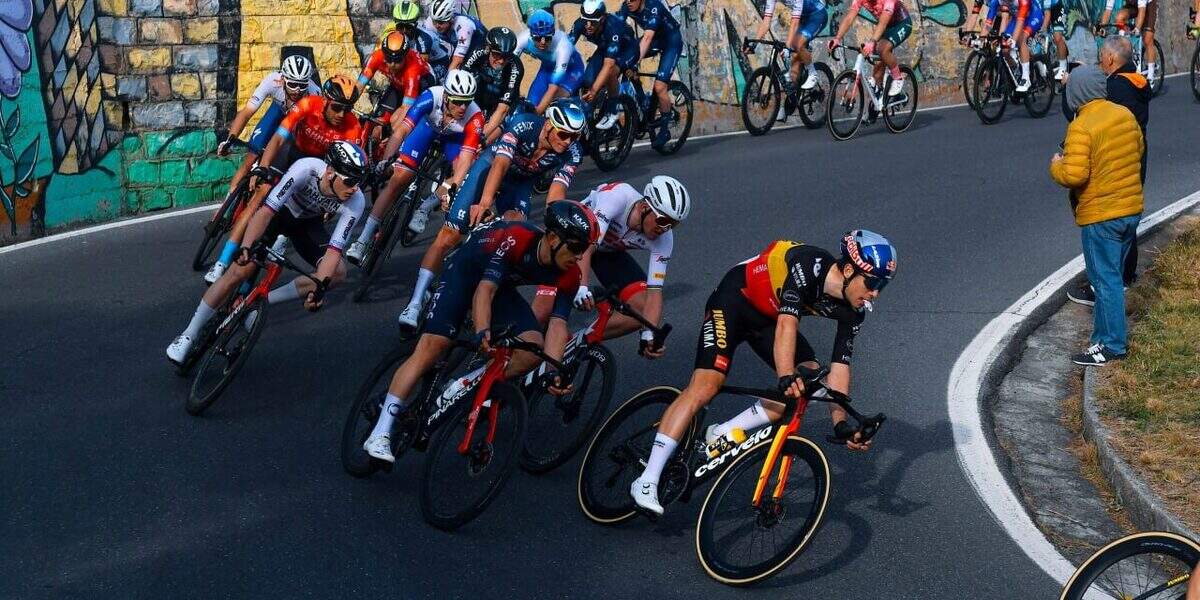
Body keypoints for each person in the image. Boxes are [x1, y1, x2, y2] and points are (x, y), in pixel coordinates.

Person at [629, 230, 895, 515]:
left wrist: (840, 423)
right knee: (707, 385)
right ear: (847, 270)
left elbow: (841, 365)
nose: (875, 293)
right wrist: (785, 376)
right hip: (733, 303)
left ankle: (722, 432)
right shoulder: (809, 265)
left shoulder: (854, 310)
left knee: (809, 380)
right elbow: (787, 326)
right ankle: (648, 479)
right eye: (872, 282)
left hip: (768, 320)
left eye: (882, 285)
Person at [361, 201, 600, 462]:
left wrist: (553, 371)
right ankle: (381, 433)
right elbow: (484, 289)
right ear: (553, 238)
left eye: (585, 249)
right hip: (464, 274)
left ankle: (463, 385)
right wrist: (483, 330)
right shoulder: (516, 238)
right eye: (576, 247)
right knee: (434, 345)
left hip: (500, 288)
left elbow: (557, 323)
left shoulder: (570, 274)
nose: (579, 256)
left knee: (532, 349)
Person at [166, 142, 369, 365]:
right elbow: (265, 212)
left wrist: (319, 289)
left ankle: (259, 303)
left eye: (359, 182)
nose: (354, 188)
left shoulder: (356, 201)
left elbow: (333, 251)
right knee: (240, 270)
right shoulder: (306, 168)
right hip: (278, 214)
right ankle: (188, 335)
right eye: (349, 181)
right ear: (330, 173)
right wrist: (246, 247)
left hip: (306, 226)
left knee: (337, 273)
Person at [395, 98, 587, 331]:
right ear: (548, 125)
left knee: (515, 229)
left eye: (574, 137)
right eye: (564, 134)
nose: (568, 142)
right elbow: (500, 165)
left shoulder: (573, 152)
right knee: (450, 235)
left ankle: (483, 286)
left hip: (520, 184)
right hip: (491, 167)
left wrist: (556, 229)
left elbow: (557, 192)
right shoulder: (523, 124)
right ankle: (415, 302)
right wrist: (484, 203)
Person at [205, 76, 364, 285]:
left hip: (318, 166)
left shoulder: (353, 128)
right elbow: (279, 137)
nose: (342, 114)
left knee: (304, 211)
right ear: (325, 100)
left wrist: (331, 200)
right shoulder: (308, 104)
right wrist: (262, 169)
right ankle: (223, 261)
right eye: (336, 107)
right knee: (261, 195)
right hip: (293, 152)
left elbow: (345, 170)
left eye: (348, 109)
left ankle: (280, 238)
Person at [1049, 65, 1143, 367]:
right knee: (1112, 278)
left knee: (1105, 282)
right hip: (1130, 210)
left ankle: (1112, 345)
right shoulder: (1124, 115)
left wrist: (1056, 164)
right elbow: (1138, 150)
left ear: (1077, 93)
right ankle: (1100, 340)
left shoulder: (1082, 125)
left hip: (1101, 215)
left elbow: (1074, 175)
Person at [531, 176, 690, 353]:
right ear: (645, 207)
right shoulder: (618, 197)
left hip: (608, 252)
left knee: (641, 310)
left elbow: (655, 292)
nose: (665, 229)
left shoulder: (665, 238)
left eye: (673, 225)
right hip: (573, 243)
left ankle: (579, 342)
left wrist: (649, 335)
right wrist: (581, 287)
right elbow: (587, 248)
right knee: (540, 314)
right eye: (663, 221)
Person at [345, 70, 484, 262]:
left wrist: (451, 189)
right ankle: (362, 240)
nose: (462, 107)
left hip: (454, 139)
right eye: (457, 101)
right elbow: (401, 131)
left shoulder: (474, 117)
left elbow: (466, 160)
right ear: (445, 96)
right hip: (427, 129)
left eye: (467, 102)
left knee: (464, 173)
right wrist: (388, 160)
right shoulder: (430, 97)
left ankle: (426, 207)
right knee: (397, 180)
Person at [207, 56, 320, 284]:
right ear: (283, 79)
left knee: (275, 175)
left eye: (302, 84)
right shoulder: (273, 82)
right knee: (250, 158)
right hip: (277, 112)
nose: (297, 89)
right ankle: (226, 208)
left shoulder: (314, 95)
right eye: (292, 84)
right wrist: (230, 138)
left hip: (296, 126)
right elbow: (247, 112)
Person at [1065, 36, 1149, 307]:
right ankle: (1125, 276)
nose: (1100, 60)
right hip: (1132, 157)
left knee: (1109, 223)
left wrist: (1070, 91)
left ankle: (1103, 287)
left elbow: (1086, 115)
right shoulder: (1136, 83)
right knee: (1126, 218)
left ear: (1111, 59)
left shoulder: (1113, 88)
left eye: (1102, 55)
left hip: (1110, 164)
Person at [618, 0, 687, 147]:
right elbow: (616, 30)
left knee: (660, 86)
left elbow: (647, 38)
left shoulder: (654, 7)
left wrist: (635, 62)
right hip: (656, 39)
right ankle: (643, 102)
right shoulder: (626, 6)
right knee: (624, 58)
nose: (628, 2)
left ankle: (664, 129)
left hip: (671, 42)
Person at [570, 0, 641, 130]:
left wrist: (594, 90)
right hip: (605, 48)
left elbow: (608, 66)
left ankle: (613, 111)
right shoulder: (581, 23)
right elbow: (566, 48)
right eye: (586, 21)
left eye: (593, 22)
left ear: (602, 19)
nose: (588, 25)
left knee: (610, 72)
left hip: (628, 50)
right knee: (587, 80)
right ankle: (593, 118)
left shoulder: (613, 27)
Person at [828, 0, 913, 98]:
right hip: (886, 26)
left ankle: (897, 78)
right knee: (876, 72)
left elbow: (883, 22)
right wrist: (837, 38)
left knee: (882, 48)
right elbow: (849, 18)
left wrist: (873, 41)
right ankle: (880, 97)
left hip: (902, 23)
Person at [743, 0, 828, 93]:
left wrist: (788, 46)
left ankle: (812, 73)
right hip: (803, 17)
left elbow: (795, 22)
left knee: (796, 44)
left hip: (817, 15)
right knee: (794, 64)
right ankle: (793, 102)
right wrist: (754, 45)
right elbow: (766, 23)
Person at [461, 27, 525, 143]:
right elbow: (460, 79)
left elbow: (502, 109)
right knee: (473, 79)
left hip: (500, 102)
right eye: (497, 55)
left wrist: (481, 137)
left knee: (514, 113)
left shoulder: (516, 67)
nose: (501, 61)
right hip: (479, 94)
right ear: (488, 48)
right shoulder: (479, 52)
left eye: (506, 56)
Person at [517, 10, 587, 115]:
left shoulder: (563, 45)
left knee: (552, 107)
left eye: (548, 38)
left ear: (553, 33)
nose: (543, 42)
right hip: (547, 69)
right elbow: (509, 64)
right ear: (531, 35)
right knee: (530, 105)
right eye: (538, 38)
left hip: (572, 71)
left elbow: (553, 88)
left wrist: (538, 112)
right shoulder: (523, 39)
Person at [357, 31, 431, 128]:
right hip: (398, 84)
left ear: (405, 56)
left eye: (397, 60)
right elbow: (359, 86)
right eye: (388, 59)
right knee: (379, 120)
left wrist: (394, 133)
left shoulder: (413, 69)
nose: (392, 64)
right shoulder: (376, 56)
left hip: (422, 84)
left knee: (397, 122)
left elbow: (406, 108)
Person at [381, 0, 452, 82]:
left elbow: (420, 68)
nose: (404, 31)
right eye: (400, 26)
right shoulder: (392, 35)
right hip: (413, 60)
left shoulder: (424, 39)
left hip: (437, 63)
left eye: (408, 27)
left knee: (421, 81)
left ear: (415, 25)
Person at [981, 0, 1045, 92]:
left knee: (1021, 39)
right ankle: (1016, 71)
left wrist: (1013, 40)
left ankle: (1026, 78)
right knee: (1004, 49)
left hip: (1033, 16)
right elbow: (988, 23)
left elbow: (1020, 22)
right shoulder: (997, 1)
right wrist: (981, 40)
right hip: (1016, 18)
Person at [1098, 0, 1157, 82]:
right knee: (1120, 18)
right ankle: (1128, 46)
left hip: (1148, 6)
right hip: (1132, 5)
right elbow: (1108, 11)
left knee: (1147, 38)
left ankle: (1151, 74)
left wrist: (1137, 28)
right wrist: (1102, 27)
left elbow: (1142, 11)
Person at [425, 0, 486, 72]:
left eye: (441, 22)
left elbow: (458, 61)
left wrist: (447, 80)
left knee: (463, 69)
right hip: (463, 43)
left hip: (480, 44)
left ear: (450, 19)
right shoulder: (430, 23)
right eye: (434, 21)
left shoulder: (464, 25)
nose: (437, 26)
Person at [1043, 0, 1070, 80]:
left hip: (1059, 5)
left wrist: (1042, 31)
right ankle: (1061, 62)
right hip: (1048, 8)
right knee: (1055, 38)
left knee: (1058, 37)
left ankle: (1063, 67)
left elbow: (1047, 15)